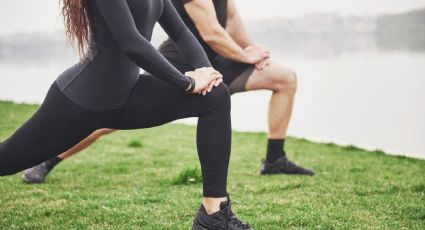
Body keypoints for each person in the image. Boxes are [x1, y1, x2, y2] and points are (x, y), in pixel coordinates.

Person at [0, 0, 252, 229]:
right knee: (6, 161)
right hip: (80, 102)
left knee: (216, 97)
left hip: (126, 97)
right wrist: (186, 83)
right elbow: (131, 42)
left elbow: (181, 34)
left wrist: (207, 72)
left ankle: (214, 216)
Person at [24, 0, 314, 184]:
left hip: (221, 58)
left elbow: (233, 20)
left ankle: (274, 159)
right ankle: (49, 159)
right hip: (180, 61)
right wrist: (244, 55)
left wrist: (249, 51)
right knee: (107, 120)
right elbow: (210, 31)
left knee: (284, 78)